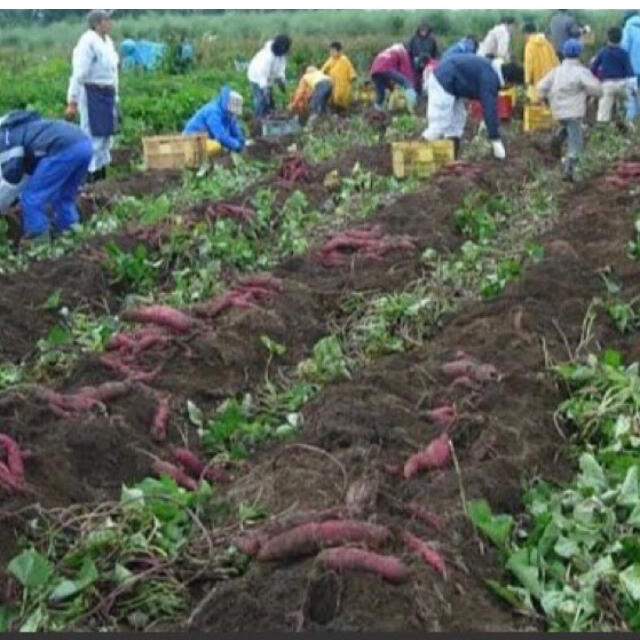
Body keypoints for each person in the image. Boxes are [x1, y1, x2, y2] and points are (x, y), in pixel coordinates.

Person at [0, 111, 92, 241]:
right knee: (63, 198)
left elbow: (12, 175)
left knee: (31, 200)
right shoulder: (22, 128)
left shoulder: (5, 138)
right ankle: (73, 236)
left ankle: (40, 246)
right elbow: (25, 174)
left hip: (62, 149)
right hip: (84, 144)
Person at [421, 54, 524, 160]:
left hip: (455, 86)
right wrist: (495, 139)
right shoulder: (489, 79)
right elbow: (489, 108)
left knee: (457, 123)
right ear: (508, 80)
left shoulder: (492, 72)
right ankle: (417, 151)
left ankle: (451, 159)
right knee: (440, 123)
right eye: (513, 85)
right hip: (443, 81)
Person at [537, 39, 602, 182]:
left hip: (558, 111)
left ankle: (557, 139)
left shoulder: (556, 71)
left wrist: (544, 98)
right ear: (579, 54)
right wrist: (589, 92)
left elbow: (541, 87)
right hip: (574, 111)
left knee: (566, 126)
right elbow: (597, 89)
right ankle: (569, 169)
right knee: (576, 141)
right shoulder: (581, 72)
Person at [66, 10, 119, 183]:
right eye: (106, 20)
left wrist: (116, 96)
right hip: (92, 93)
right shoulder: (87, 42)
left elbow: (112, 72)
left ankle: (102, 173)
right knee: (92, 134)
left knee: (105, 136)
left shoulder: (108, 42)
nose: (109, 23)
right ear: (97, 24)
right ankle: (90, 175)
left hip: (108, 92)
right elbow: (79, 74)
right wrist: (72, 100)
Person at [591, 27, 636, 124]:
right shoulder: (624, 53)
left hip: (607, 84)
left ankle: (602, 130)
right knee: (624, 109)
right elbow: (630, 71)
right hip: (622, 84)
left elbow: (593, 67)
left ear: (607, 38)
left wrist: (596, 79)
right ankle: (626, 127)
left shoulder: (603, 52)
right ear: (621, 38)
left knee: (603, 111)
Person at [183, 86, 245, 153]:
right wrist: (235, 145)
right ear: (228, 107)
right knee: (216, 146)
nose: (233, 115)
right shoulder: (213, 112)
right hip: (192, 139)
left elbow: (234, 129)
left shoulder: (228, 114)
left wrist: (240, 141)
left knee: (223, 146)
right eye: (232, 113)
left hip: (207, 139)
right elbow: (220, 135)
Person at [247, 35, 291, 117]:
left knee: (270, 101)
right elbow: (262, 74)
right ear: (278, 46)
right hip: (256, 77)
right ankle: (258, 119)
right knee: (261, 100)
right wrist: (265, 89)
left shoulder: (282, 55)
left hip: (269, 77)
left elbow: (280, 69)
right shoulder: (267, 56)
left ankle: (270, 115)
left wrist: (282, 80)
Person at [370, 43, 417, 110]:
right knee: (406, 82)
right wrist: (411, 84)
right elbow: (406, 69)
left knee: (381, 93)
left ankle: (376, 110)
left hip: (374, 71)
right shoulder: (401, 50)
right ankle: (412, 103)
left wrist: (392, 86)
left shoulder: (389, 50)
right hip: (386, 68)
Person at [523, 22, 559, 101]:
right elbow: (555, 59)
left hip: (538, 80)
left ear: (526, 33)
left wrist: (527, 80)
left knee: (539, 105)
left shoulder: (529, 45)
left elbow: (529, 64)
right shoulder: (547, 43)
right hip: (551, 78)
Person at [321, 42, 357, 110]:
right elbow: (324, 69)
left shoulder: (344, 59)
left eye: (333, 51)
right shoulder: (330, 59)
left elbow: (350, 69)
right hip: (333, 82)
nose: (331, 53)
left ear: (339, 51)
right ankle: (334, 110)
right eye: (330, 52)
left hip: (343, 83)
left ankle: (343, 111)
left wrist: (352, 77)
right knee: (333, 97)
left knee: (343, 98)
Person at [407, 21, 439, 93]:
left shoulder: (432, 40)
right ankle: (417, 93)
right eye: (422, 30)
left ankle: (427, 94)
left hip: (428, 63)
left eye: (425, 30)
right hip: (416, 63)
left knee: (428, 80)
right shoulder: (413, 39)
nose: (423, 32)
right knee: (416, 80)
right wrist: (411, 62)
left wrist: (435, 62)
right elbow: (409, 51)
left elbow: (436, 52)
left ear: (428, 30)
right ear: (419, 30)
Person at [622, 13, 640, 121]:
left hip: (632, 69)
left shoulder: (628, 29)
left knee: (631, 96)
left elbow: (624, 48)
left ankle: (631, 121)